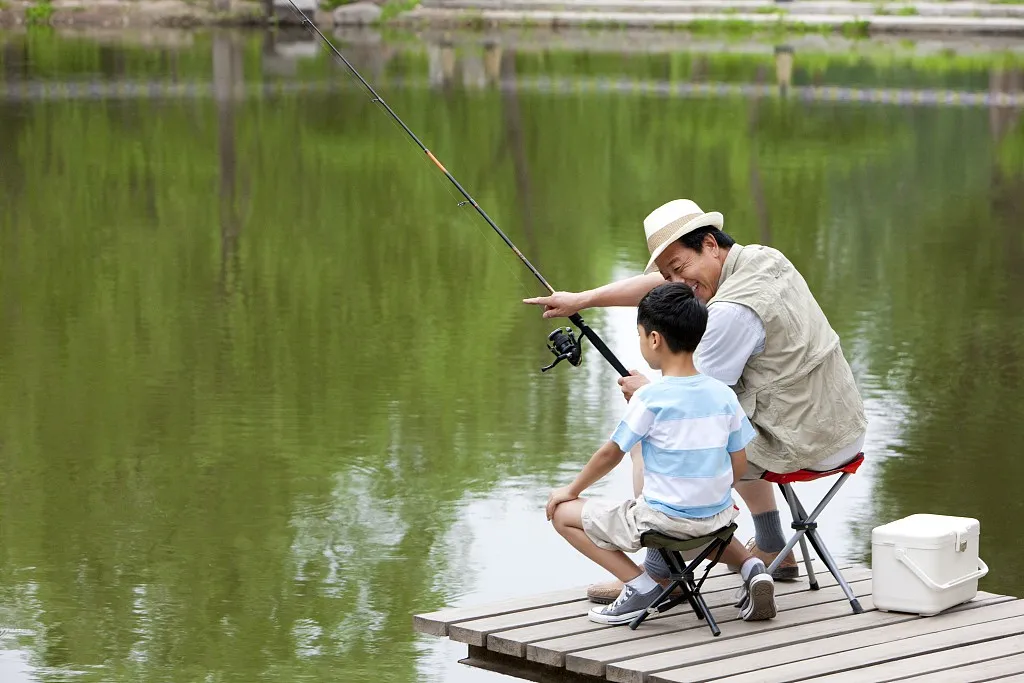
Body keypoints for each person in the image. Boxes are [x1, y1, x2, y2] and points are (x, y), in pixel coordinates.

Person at [528, 198, 868, 604]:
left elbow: (688, 406)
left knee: (654, 434)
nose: (676, 280)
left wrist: (648, 394)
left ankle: (661, 571)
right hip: (841, 425)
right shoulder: (762, 258)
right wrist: (582, 299)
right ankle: (773, 544)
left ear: (709, 244)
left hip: (803, 440)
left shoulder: (731, 313)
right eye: (668, 272)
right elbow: (670, 288)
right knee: (728, 426)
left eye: (679, 267)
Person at [546, 282, 778, 625]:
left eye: (641, 335)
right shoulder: (722, 394)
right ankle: (751, 565)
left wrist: (570, 491)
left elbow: (610, 454)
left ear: (654, 339)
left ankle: (641, 587)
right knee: (701, 519)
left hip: (665, 523)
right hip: (717, 518)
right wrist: (713, 492)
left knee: (562, 514)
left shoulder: (650, 399)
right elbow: (739, 459)